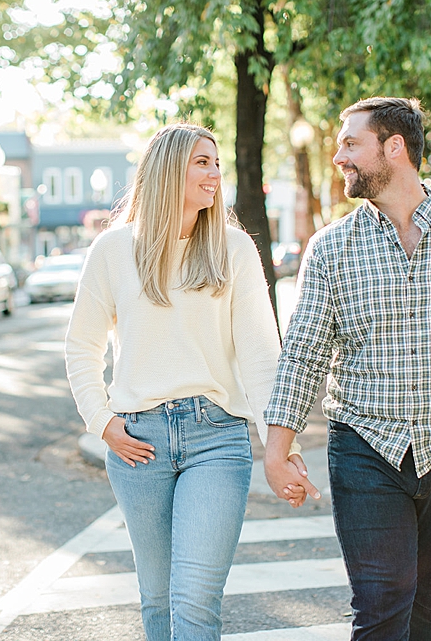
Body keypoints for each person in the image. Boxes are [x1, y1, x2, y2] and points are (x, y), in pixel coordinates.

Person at [262, 97, 431, 640]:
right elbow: (303, 353)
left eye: (349, 144)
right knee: (383, 604)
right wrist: (275, 449)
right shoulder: (331, 248)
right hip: (366, 447)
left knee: (429, 604)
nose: (338, 157)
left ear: (394, 147)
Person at [65, 122, 303, 640]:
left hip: (216, 438)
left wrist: (279, 444)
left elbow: (263, 355)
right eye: (202, 162)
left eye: (217, 163)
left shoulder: (234, 249)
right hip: (137, 443)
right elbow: (82, 346)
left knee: (194, 600)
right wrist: (101, 422)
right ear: (169, 168)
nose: (215, 174)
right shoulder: (112, 251)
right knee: (157, 598)